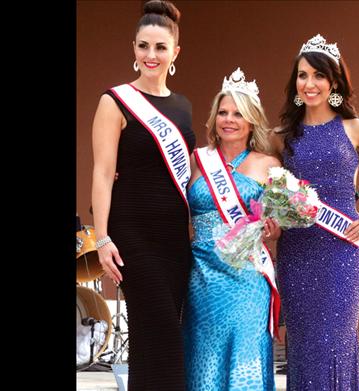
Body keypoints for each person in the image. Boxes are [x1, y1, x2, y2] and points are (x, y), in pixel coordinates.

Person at [272, 34, 359, 390]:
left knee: (334, 345)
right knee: (304, 349)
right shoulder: (281, 136)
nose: (310, 84)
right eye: (302, 75)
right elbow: (247, 168)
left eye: (318, 76)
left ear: (334, 81)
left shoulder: (356, 129)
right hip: (296, 254)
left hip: (342, 253)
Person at [90, 1, 195, 389]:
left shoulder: (182, 106)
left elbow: (187, 177)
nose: (151, 55)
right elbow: (101, 174)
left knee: (155, 343)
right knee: (164, 333)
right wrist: (102, 238)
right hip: (133, 235)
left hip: (174, 239)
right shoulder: (113, 101)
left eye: (160, 47)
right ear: (133, 49)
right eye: (143, 46)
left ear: (175, 53)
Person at [183, 67, 282, 390]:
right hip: (201, 276)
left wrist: (271, 229)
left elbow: (279, 227)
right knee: (204, 358)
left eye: (238, 113)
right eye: (222, 112)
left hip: (247, 278)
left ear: (251, 120)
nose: (229, 119)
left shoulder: (269, 164)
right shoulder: (197, 161)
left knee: (245, 358)